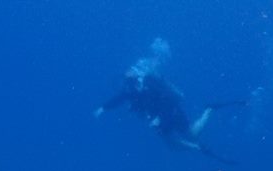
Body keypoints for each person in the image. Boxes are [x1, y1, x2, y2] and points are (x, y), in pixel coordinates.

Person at [94, 40, 238, 158]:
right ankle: (197, 147)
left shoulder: (150, 84)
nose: (130, 79)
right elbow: (119, 98)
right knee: (173, 145)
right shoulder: (132, 89)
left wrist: (160, 118)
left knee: (191, 135)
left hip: (171, 112)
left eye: (132, 75)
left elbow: (166, 101)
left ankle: (208, 111)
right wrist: (103, 108)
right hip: (158, 118)